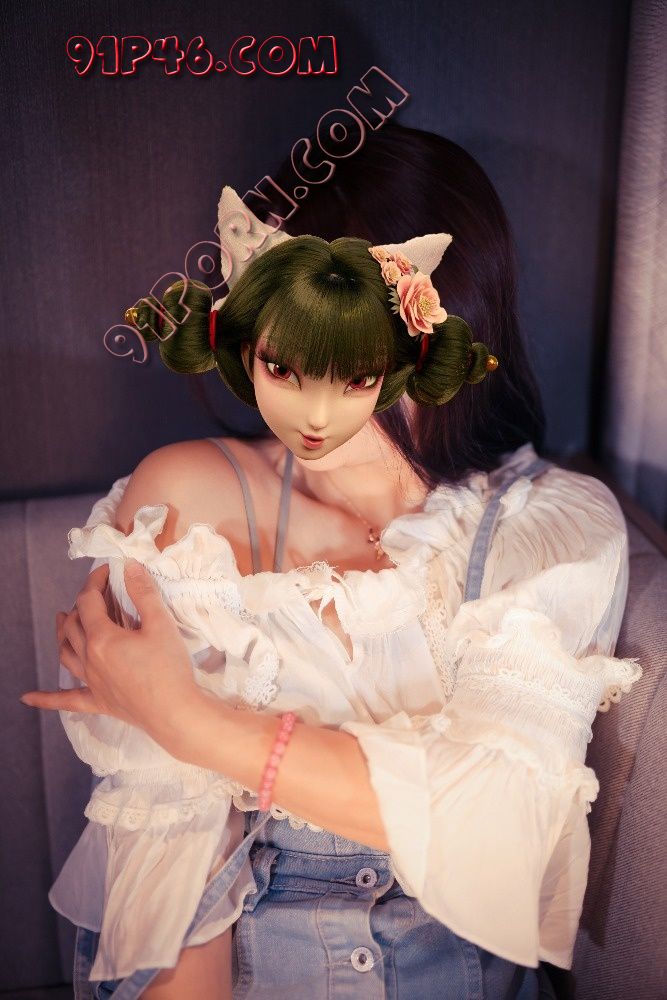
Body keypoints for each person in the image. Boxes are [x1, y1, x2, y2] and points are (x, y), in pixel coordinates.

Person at [20, 128, 643, 1000]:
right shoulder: (188, 501)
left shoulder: (551, 525)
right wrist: (179, 734)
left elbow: (500, 829)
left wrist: (188, 720)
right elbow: (172, 875)